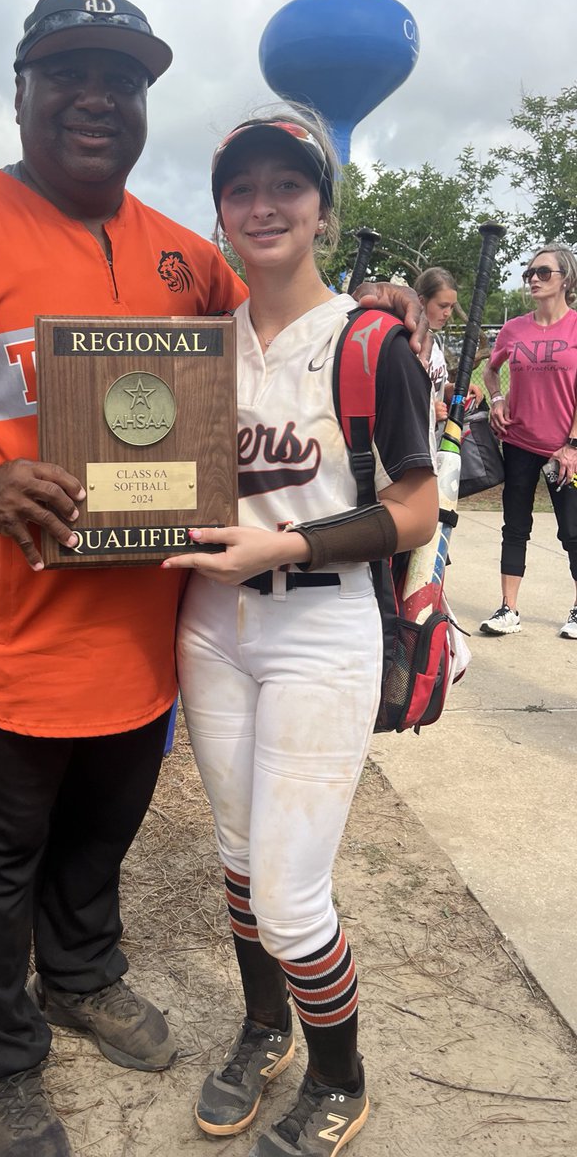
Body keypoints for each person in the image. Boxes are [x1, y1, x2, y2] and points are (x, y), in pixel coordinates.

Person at [0, 0, 429, 1157]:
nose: (99, 96)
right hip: (7, 638)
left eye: (126, 78)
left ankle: (86, 974)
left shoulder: (181, 258)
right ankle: (0, 1057)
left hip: (152, 639)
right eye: (69, 72)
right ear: (22, 93)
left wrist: (375, 335)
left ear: (147, 105)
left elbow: (258, 362)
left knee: (102, 838)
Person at [162, 114, 438, 1157]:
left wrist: (275, 548)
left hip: (322, 626)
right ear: (222, 210)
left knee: (289, 891)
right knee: (239, 861)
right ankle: (264, 1026)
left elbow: (415, 510)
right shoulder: (196, 343)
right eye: (242, 188)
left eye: (289, 185)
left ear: (323, 207)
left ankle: (339, 1077)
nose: (264, 204)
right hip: (212, 626)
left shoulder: (370, 341)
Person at [480, 243, 577, 639]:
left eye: (543, 273)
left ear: (565, 279)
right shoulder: (514, 328)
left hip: (566, 449)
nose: (533, 279)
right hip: (519, 442)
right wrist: (497, 400)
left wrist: (573, 444)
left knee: (572, 531)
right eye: (529, 274)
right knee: (515, 526)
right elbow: (490, 372)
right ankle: (508, 610)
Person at [414, 266, 483, 422]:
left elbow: (438, 388)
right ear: (421, 301)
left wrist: (454, 390)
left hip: (433, 440)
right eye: (442, 306)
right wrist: (429, 412)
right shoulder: (404, 344)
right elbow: (394, 401)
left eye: (451, 307)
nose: (448, 313)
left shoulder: (435, 342)